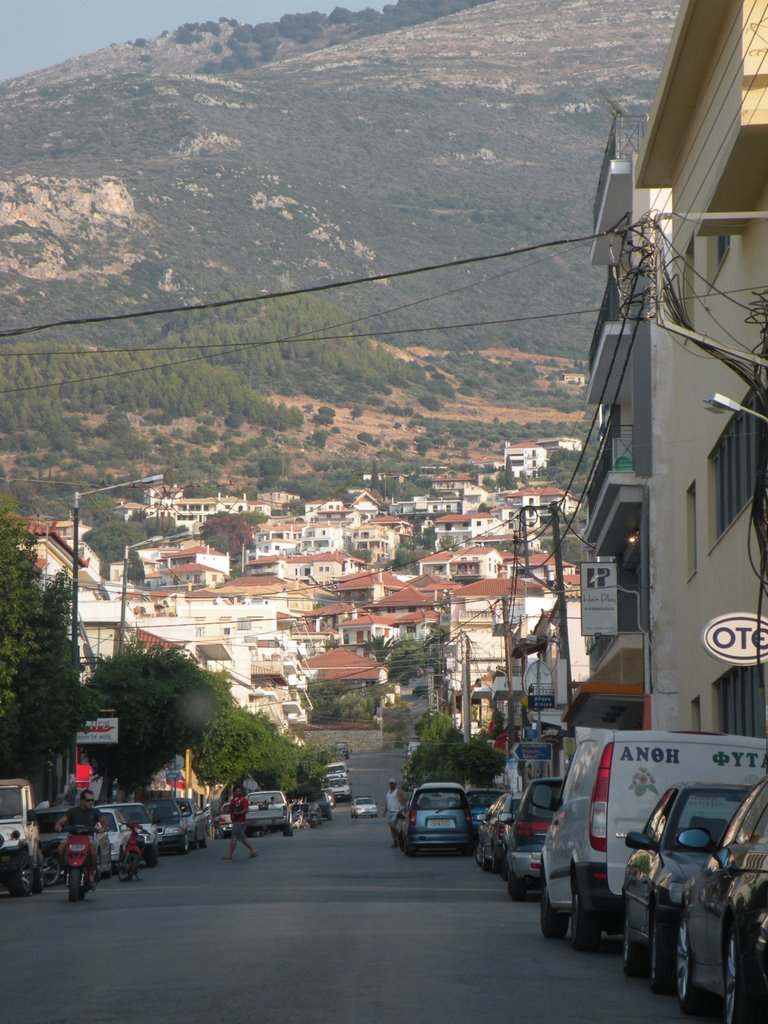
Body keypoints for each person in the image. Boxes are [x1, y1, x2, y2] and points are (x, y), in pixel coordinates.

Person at [54, 788, 107, 880]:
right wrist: (58, 827)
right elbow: (60, 822)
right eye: (88, 800)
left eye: (92, 800)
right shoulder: (72, 811)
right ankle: (64, 869)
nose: (90, 802)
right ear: (81, 800)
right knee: (60, 848)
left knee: (93, 851)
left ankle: (91, 872)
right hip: (72, 836)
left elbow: (104, 820)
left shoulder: (95, 812)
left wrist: (103, 828)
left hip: (88, 837)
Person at [223, 784, 257, 860]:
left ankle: (229, 854)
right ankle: (253, 850)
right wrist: (226, 810)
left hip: (240, 821)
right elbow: (230, 808)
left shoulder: (243, 800)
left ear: (242, 792)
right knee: (242, 838)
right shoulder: (234, 800)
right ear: (234, 792)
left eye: (239, 791)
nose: (238, 793)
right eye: (236, 791)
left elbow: (246, 809)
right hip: (235, 821)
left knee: (234, 838)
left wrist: (238, 813)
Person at [384, 778, 406, 847]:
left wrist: (401, 810)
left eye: (392, 783)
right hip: (389, 812)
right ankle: (395, 841)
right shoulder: (388, 792)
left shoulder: (397, 792)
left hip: (396, 812)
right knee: (391, 828)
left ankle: (400, 837)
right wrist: (385, 811)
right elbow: (387, 802)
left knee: (393, 827)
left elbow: (402, 801)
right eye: (390, 783)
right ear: (389, 784)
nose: (391, 785)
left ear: (395, 784)